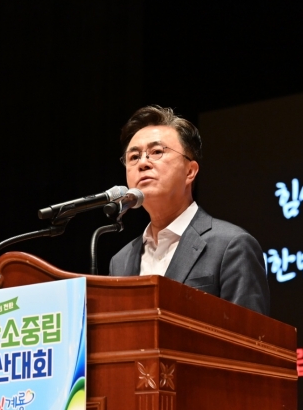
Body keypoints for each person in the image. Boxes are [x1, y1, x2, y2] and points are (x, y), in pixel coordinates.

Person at [109, 105, 270, 315]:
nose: (143, 163)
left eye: (156, 152)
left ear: (190, 171)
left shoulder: (232, 246)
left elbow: (248, 333)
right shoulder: (120, 261)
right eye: (134, 157)